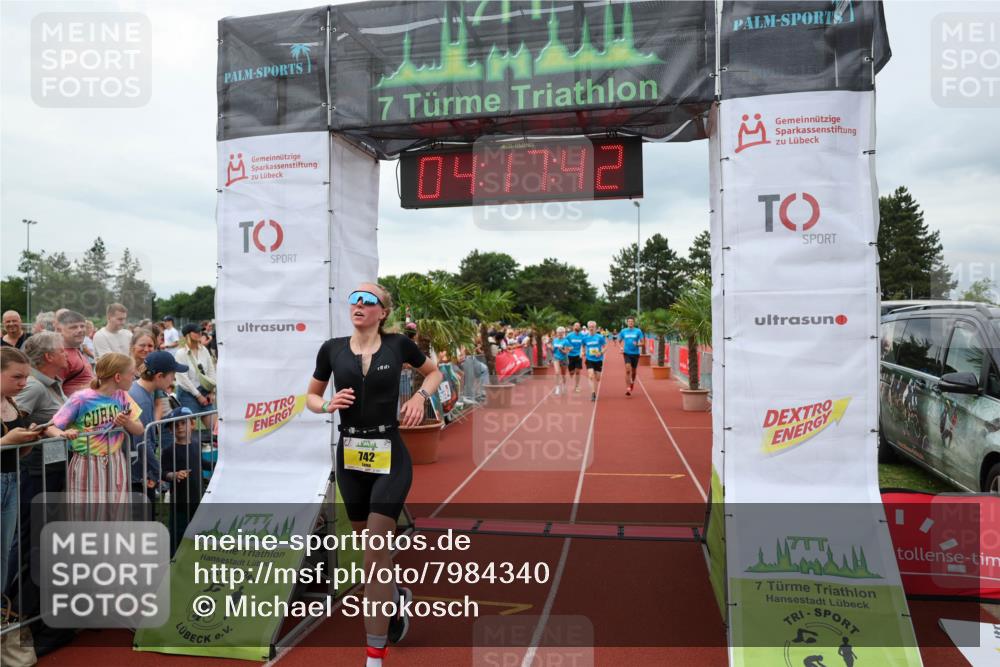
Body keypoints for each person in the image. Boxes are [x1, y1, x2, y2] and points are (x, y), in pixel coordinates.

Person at [306, 283, 442, 667]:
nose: (359, 305)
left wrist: (419, 397)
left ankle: (374, 657)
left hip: (390, 455)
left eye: (368, 301)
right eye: (355, 299)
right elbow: (311, 396)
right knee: (370, 547)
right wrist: (326, 405)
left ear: (383, 312)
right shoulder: (331, 349)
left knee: (373, 556)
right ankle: (396, 595)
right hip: (350, 458)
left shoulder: (398, 345)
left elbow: (432, 373)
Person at [48, 353, 144, 520]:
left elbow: (139, 429)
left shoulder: (122, 396)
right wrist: (63, 433)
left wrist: (127, 422)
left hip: (115, 461)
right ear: (118, 377)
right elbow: (51, 426)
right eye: (131, 373)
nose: (135, 376)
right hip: (87, 463)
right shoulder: (82, 398)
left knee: (116, 515)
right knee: (87, 517)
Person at [1, 347, 42, 590]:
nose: (23, 382)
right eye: (16, 377)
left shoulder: (12, 403)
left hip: (12, 479)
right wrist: (7, 441)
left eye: (26, 377)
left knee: (4, 550)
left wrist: (30, 440)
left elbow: (18, 452)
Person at [129, 351, 188, 515]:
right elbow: (142, 443)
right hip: (137, 475)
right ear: (160, 376)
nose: (173, 379)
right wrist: (155, 472)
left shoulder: (140, 391)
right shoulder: (140, 398)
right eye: (172, 375)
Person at [160, 406, 201, 554]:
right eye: (175, 425)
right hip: (180, 503)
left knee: (197, 533)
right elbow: (163, 473)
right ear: (170, 430)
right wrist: (175, 475)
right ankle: (174, 561)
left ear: (193, 424)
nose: (180, 427)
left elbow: (202, 464)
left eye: (184, 423)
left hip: (198, 499)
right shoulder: (169, 450)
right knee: (178, 534)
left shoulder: (196, 445)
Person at [173, 324, 217, 433]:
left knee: (215, 430)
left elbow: (211, 371)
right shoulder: (180, 353)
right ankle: (192, 450)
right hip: (187, 394)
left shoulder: (204, 350)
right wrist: (198, 396)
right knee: (188, 431)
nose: (199, 333)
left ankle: (211, 449)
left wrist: (212, 392)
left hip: (205, 392)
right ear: (187, 334)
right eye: (196, 331)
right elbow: (183, 379)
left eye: (200, 331)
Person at [56, 310, 95, 397]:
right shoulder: (60, 356)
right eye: (73, 327)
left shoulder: (75, 349)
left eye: (82, 326)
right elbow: (55, 392)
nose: (80, 330)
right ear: (59, 330)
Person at [616, 316, 645, 396]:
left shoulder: (638, 331)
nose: (630, 323)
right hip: (627, 353)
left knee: (634, 371)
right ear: (627, 322)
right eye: (629, 321)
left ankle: (632, 381)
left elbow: (643, 343)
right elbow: (619, 341)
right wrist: (621, 347)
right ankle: (628, 388)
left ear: (634, 322)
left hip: (635, 353)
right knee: (628, 370)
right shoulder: (623, 331)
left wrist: (638, 344)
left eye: (632, 321)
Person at [582, 320, 606, 402]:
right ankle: (593, 393)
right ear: (588, 328)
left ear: (595, 328)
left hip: (598, 359)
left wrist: (601, 352)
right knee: (591, 375)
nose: (591, 328)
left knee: (598, 378)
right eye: (590, 327)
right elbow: (583, 346)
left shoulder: (600, 337)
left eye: (593, 327)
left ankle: (594, 388)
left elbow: (605, 347)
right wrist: (583, 351)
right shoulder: (585, 338)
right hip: (589, 359)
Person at [563, 322, 587, 393]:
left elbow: (584, 345)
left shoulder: (582, 336)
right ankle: (571, 374)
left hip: (578, 355)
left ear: (580, 327)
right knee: (571, 373)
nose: (577, 327)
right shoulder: (569, 335)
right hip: (570, 356)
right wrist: (567, 348)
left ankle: (577, 386)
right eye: (575, 326)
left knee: (578, 371)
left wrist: (583, 351)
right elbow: (564, 343)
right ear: (573, 327)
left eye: (578, 326)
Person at [550, 326, 571, 396]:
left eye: (561, 333)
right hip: (556, 358)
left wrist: (561, 350)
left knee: (563, 374)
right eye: (558, 333)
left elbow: (566, 352)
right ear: (557, 333)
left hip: (564, 358)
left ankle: (564, 386)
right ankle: (557, 387)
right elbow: (553, 350)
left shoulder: (566, 341)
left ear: (563, 333)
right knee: (557, 372)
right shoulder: (554, 340)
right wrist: (551, 348)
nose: (559, 334)